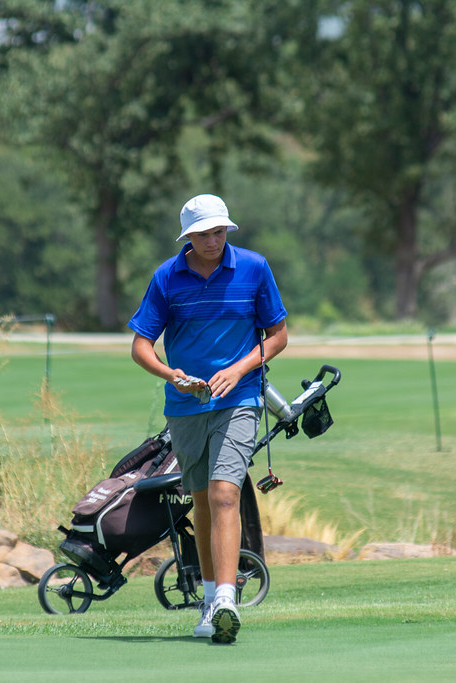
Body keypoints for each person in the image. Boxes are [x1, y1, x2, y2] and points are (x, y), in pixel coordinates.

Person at [128, 193, 288, 644]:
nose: (214, 240)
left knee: (223, 493)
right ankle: (206, 598)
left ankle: (225, 598)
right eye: (204, 234)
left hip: (239, 400)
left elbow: (277, 336)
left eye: (219, 231)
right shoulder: (166, 277)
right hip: (185, 407)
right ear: (188, 238)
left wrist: (239, 368)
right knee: (200, 501)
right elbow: (141, 345)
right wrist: (170, 374)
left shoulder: (254, 268)